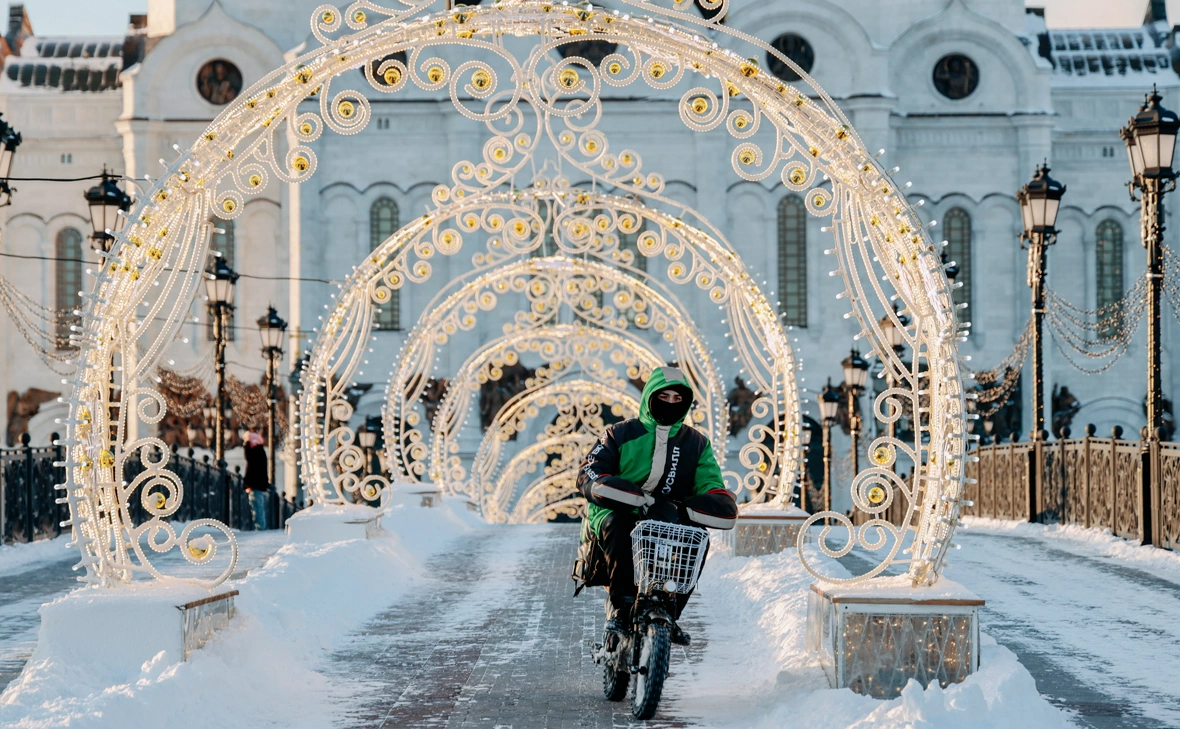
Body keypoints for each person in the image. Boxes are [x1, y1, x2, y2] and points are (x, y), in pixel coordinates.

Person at [575, 366, 737, 645]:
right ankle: (621, 609)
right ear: (650, 396)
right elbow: (591, 471)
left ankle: (670, 611)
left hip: (669, 516)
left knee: (697, 537)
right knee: (619, 526)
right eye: (664, 396)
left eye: (678, 398)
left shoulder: (697, 444)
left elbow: (711, 483)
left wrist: (705, 504)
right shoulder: (619, 434)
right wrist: (627, 496)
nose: (671, 403)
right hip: (619, 510)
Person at [242, 431, 271, 530]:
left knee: (256, 507)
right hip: (258, 484)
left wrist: (246, 445)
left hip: (255, 484)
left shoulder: (255, 451)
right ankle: (260, 526)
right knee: (258, 506)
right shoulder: (260, 451)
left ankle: (259, 527)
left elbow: (248, 458)